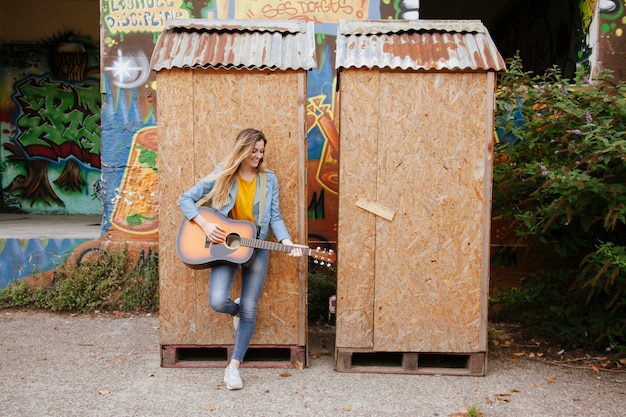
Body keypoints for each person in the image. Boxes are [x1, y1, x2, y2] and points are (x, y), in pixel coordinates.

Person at [178, 128, 303, 390]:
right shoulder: (224, 172)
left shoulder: (269, 180)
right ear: (242, 150)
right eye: (254, 151)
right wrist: (205, 225)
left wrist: (287, 242)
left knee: (250, 306)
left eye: (261, 151)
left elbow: (275, 216)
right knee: (217, 301)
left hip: (256, 246)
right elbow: (185, 199)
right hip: (225, 247)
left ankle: (234, 366)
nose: (258, 156)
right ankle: (236, 310)